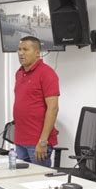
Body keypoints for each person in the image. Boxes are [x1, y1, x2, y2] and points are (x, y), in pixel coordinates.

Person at [13, 36, 59, 167]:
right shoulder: (19, 73)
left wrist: (43, 141)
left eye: (25, 49)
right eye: (19, 49)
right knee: (21, 182)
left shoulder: (47, 73)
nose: (21, 53)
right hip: (20, 140)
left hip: (38, 142)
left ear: (37, 53)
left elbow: (53, 108)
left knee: (39, 184)